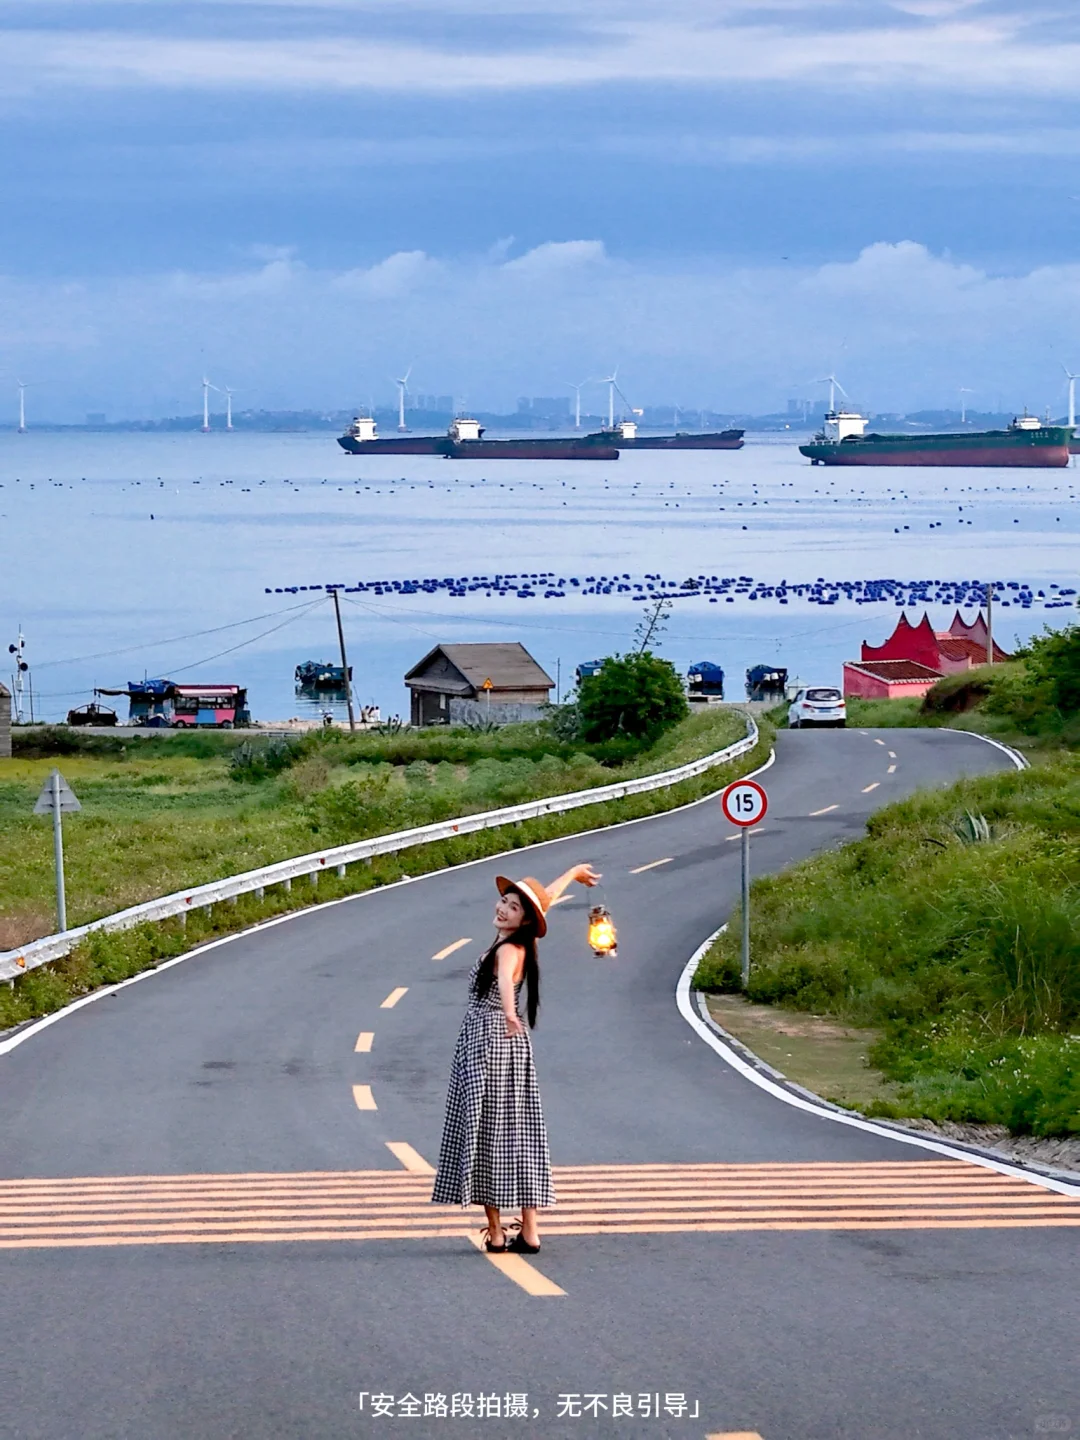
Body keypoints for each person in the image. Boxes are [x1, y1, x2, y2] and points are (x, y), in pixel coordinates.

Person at [431, 864, 600, 1253]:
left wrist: (508, 1013)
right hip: (510, 1044)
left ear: (523, 921)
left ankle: (495, 1232)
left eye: (512, 907)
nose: (503, 908)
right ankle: (530, 1230)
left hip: (488, 1038)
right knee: (519, 1131)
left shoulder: (508, 948)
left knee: (484, 1128)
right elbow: (544, 901)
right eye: (504, 902)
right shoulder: (521, 943)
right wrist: (572, 874)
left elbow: (506, 979)